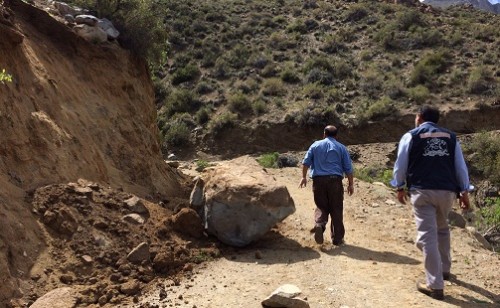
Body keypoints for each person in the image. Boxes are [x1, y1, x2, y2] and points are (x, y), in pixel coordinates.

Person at [391, 106, 470, 300]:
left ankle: (435, 285)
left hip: (422, 190)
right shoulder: (451, 137)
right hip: (447, 192)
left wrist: (399, 186)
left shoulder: (411, 136)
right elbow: (460, 166)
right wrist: (464, 191)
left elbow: (401, 164)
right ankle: (444, 270)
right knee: (442, 229)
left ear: (419, 118)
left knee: (427, 236)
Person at [299, 125, 354, 246]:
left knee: (322, 206)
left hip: (319, 181)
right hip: (335, 181)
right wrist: (351, 184)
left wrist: (303, 177)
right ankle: (337, 239)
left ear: (324, 134)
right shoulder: (341, 148)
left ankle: (319, 224)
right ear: (336, 135)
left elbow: (306, 162)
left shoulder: (315, 145)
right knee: (336, 208)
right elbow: (348, 169)